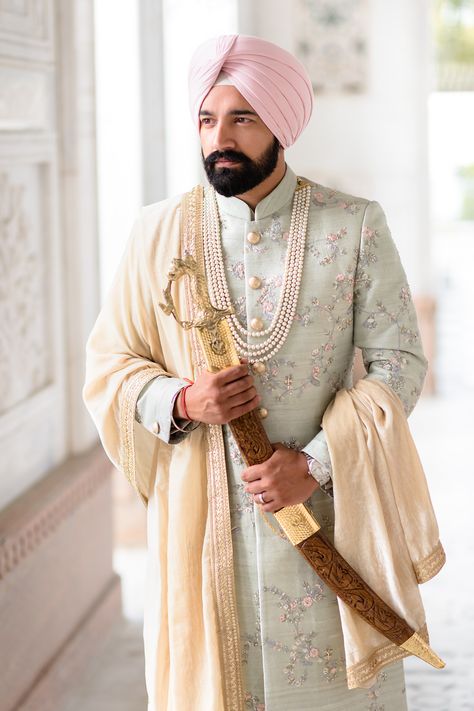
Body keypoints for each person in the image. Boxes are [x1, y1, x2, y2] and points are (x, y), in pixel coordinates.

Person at [83, 34, 432, 711]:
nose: (221, 138)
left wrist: (317, 463)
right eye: (207, 120)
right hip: (203, 542)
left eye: (242, 118)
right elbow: (109, 362)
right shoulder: (155, 234)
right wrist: (180, 398)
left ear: (280, 123)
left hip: (325, 527)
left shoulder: (353, 225)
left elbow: (399, 363)